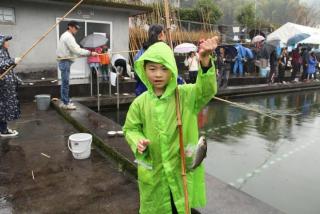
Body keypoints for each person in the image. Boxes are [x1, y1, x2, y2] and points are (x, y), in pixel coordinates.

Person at [123, 37, 218, 214]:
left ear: (173, 71)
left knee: (179, 207)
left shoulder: (185, 95)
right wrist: (138, 141)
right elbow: (130, 128)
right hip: (154, 175)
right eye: (152, 69)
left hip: (180, 173)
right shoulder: (139, 103)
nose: (158, 74)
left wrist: (205, 61)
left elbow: (206, 90)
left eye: (164, 69)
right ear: (143, 70)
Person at [56, 21, 98, 110]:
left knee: (64, 83)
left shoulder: (66, 35)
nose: (76, 30)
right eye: (75, 28)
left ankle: (64, 101)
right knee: (65, 83)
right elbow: (77, 50)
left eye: (77, 28)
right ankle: (66, 103)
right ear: (70, 27)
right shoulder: (68, 37)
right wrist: (90, 53)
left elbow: (74, 50)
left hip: (64, 61)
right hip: (65, 61)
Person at [134, 24, 166, 96]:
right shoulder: (162, 51)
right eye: (164, 33)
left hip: (141, 91)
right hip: (156, 92)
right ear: (161, 35)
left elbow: (136, 73)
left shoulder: (140, 52)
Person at [0, 35, 21, 137]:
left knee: (3, 106)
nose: (8, 43)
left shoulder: (4, 51)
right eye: (6, 41)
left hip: (6, 85)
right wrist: (13, 61)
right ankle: (3, 130)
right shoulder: (0, 51)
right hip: (3, 86)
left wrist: (14, 63)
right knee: (3, 107)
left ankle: (3, 128)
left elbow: (6, 68)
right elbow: (1, 65)